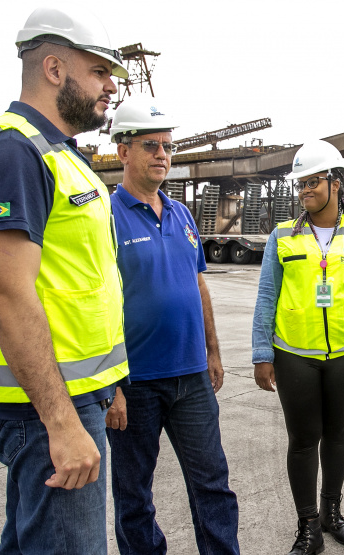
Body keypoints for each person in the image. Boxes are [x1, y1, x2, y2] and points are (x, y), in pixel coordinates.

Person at [0, 7, 129, 553]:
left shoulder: (60, 155)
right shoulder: (11, 152)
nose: (112, 86)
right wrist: (62, 421)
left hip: (74, 395)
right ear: (54, 68)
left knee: (31, 543)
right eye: (99, 72)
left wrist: (104, 385)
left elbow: (80, 281)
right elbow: (7, 292)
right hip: (44, 407)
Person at [104, 97, 240, 554]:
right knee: (134, 495)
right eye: (150, 145)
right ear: (124, 152)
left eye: (167, 145)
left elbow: (198, 286)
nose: (163, 154)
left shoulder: (182, 215)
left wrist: (213, 352)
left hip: (191, 378)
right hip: (133, 382)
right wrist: (110, 385)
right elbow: (95, 304)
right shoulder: (103, 218)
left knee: (213, 486)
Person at [252, 139, 344, 555]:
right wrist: (262, 353)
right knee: (302, 439)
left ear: (336, 183)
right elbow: (266, 299)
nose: (304, 191)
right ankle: (309, 526)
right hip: (294, 355)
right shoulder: (282, 238)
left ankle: (332, 513)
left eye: (313, 181)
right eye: (301, 184)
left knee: (337, 434)